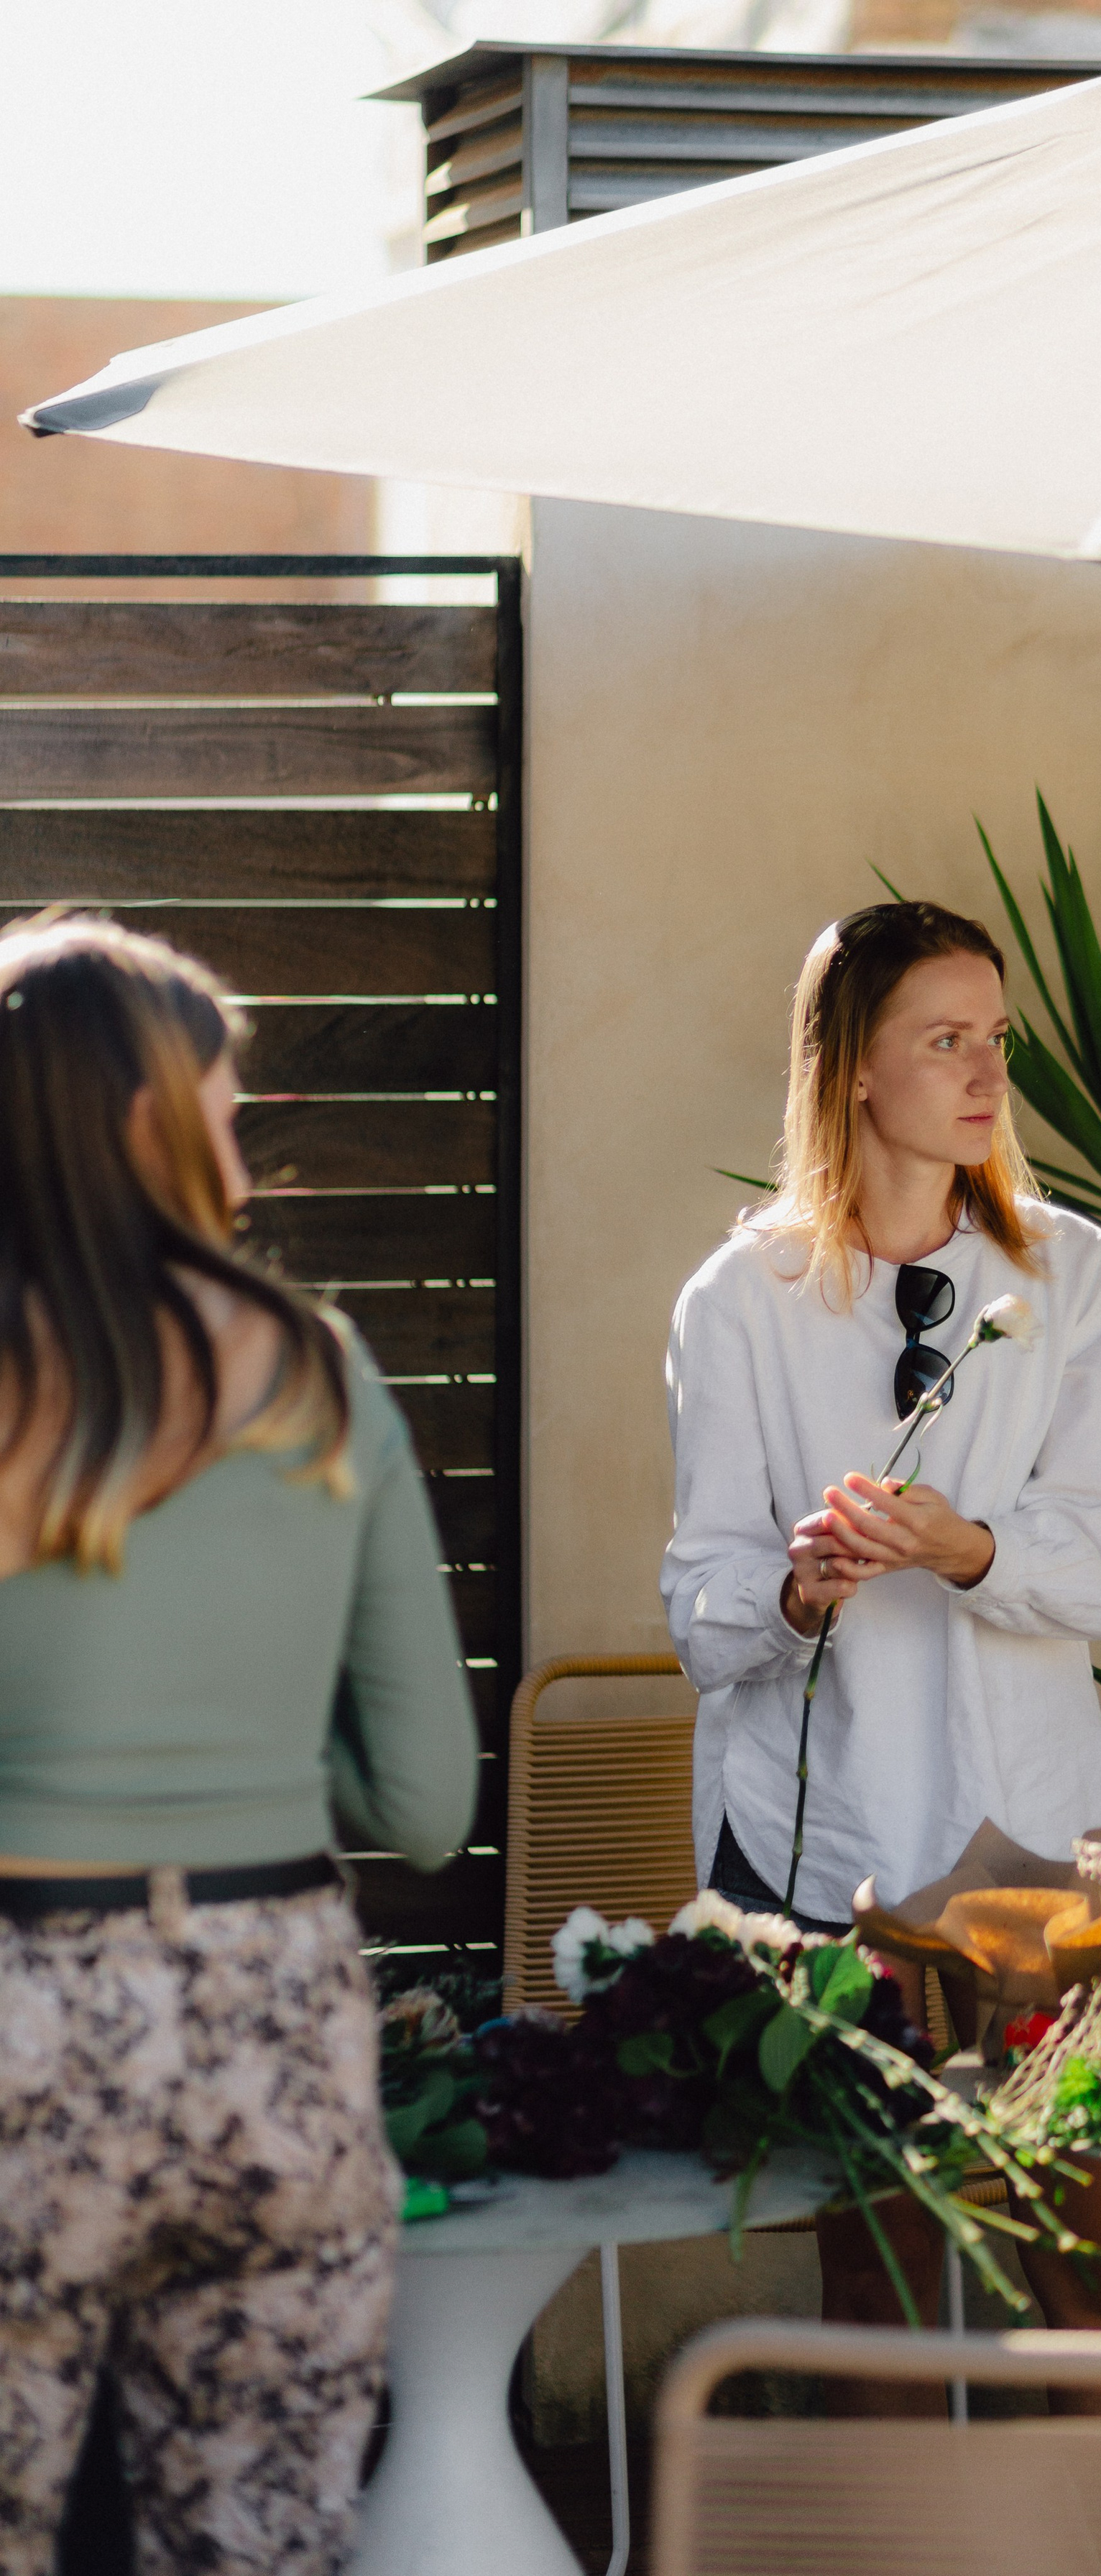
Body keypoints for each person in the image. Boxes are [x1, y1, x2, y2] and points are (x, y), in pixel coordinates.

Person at [0, 916, 477, 2576]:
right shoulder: (323, 1373)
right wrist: (267, 1744)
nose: (248, 1162)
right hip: (271, 2022)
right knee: (261, 2542)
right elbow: (429, 1801)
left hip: (20, 2014)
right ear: (150, 1121)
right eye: (227, 1113)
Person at [662, 897, 1101, 2395]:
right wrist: (798, 1591)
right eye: (946, 1040)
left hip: (1032, 1848)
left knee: (1094, 2278)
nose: (987, 1072)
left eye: (995, 1037)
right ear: (852, 1068)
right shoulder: (739, 1301)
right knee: (873, 2297)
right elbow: (700, 1602)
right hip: (823, 1848)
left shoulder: (1072, 1274)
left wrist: (968, 1549)